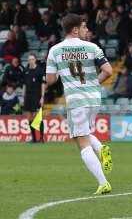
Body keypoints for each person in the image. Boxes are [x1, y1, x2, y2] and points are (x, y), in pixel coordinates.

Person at [46, 14, 113, 195]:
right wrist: (94, 83)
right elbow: (108, 71)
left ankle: (103, 182)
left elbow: (50, 79)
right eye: (84, 27)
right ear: (75, 30)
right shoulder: (92, 47)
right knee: (83, 133)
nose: (87, 30)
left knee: (81, 141)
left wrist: (61, 71)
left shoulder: (55, 50)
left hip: (76, 100)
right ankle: (101, 148)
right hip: (94, 98)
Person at [23, 54, 46, 143]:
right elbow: (24, 84)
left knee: (38, 117)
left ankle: (41, 138)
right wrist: (23, 96)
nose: (30, 61)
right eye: (29, 59)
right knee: (29, 118)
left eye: (32, 59)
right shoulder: (26, 71)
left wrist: (42, 97)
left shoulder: (39, 71)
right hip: (28, 97)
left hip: (36, 96)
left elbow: (43, 84)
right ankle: (34, 139)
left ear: (35, 60)